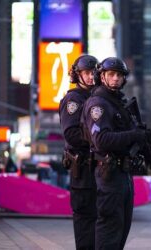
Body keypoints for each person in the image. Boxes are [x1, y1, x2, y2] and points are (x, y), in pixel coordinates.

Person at [81, 57, 151, 249]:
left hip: (123, 173)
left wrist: (143, 139)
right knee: (110, 230)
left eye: (119, 75)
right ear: (101, 77)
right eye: (111, 74)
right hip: (109, 174)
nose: (115, 79)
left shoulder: (118, 103)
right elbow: (101, 140)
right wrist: (134, 135)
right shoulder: (98, 104)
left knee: (122, 229)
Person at [58, 54, 98, 250]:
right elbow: (71, 134)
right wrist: (99, 139)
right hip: (82, 171)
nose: (92, 77)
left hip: (97, 171)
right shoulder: (74, 99)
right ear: (77, 75)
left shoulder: (96, 98)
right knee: (85, 225)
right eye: (88, 73)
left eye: (95, 73)